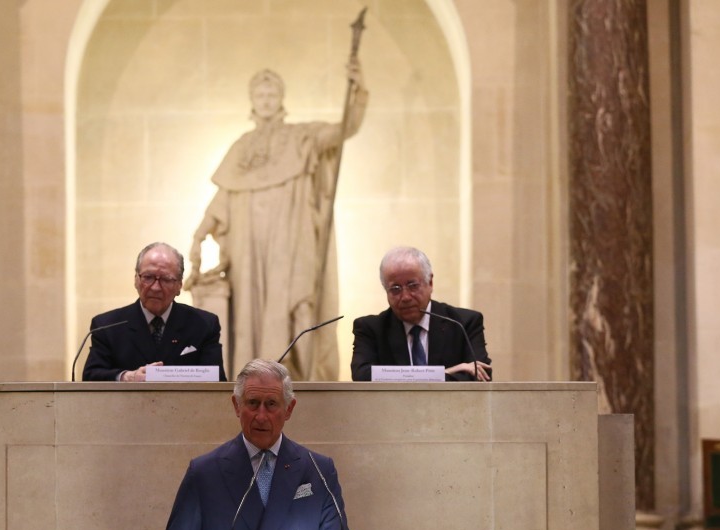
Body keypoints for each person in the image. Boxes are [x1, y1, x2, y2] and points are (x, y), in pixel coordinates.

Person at [184, 59, 369, 381]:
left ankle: (302, 381)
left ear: (281, 98)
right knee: (249, 314)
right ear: (252, 100)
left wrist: (358, 90)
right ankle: (253, 382)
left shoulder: (302, 137)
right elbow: (224, 195)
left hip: (291, 239)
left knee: (299, 303)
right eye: (260, 94)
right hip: (248, 248)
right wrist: (200, 233)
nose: (266, 100)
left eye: (272, 94)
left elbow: (344, 129)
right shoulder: (241, 147)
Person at [159, 359, 358, 530]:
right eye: (253, 403)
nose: (261, 416)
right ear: (237, 406)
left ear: (289, 409)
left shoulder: (318, 469)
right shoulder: (205, 472)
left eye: (271, 404)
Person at [82, 242, 226, 381]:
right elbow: (91, 375)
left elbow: (217, 382)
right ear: (136, 280)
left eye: (166, 279)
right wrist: (127, 377)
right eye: (148, 277)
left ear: (179, 286)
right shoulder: (107, 326)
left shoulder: (203, 324)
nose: (156, 287)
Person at [351, 246, 493, 382]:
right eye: (395, 289)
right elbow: (362, 376)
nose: (405, 297)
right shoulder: (370, 329)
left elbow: (481, 376)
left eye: (413, 286)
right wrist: (445, 373)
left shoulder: (463, 323)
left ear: (430, 283)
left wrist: (411, 378)